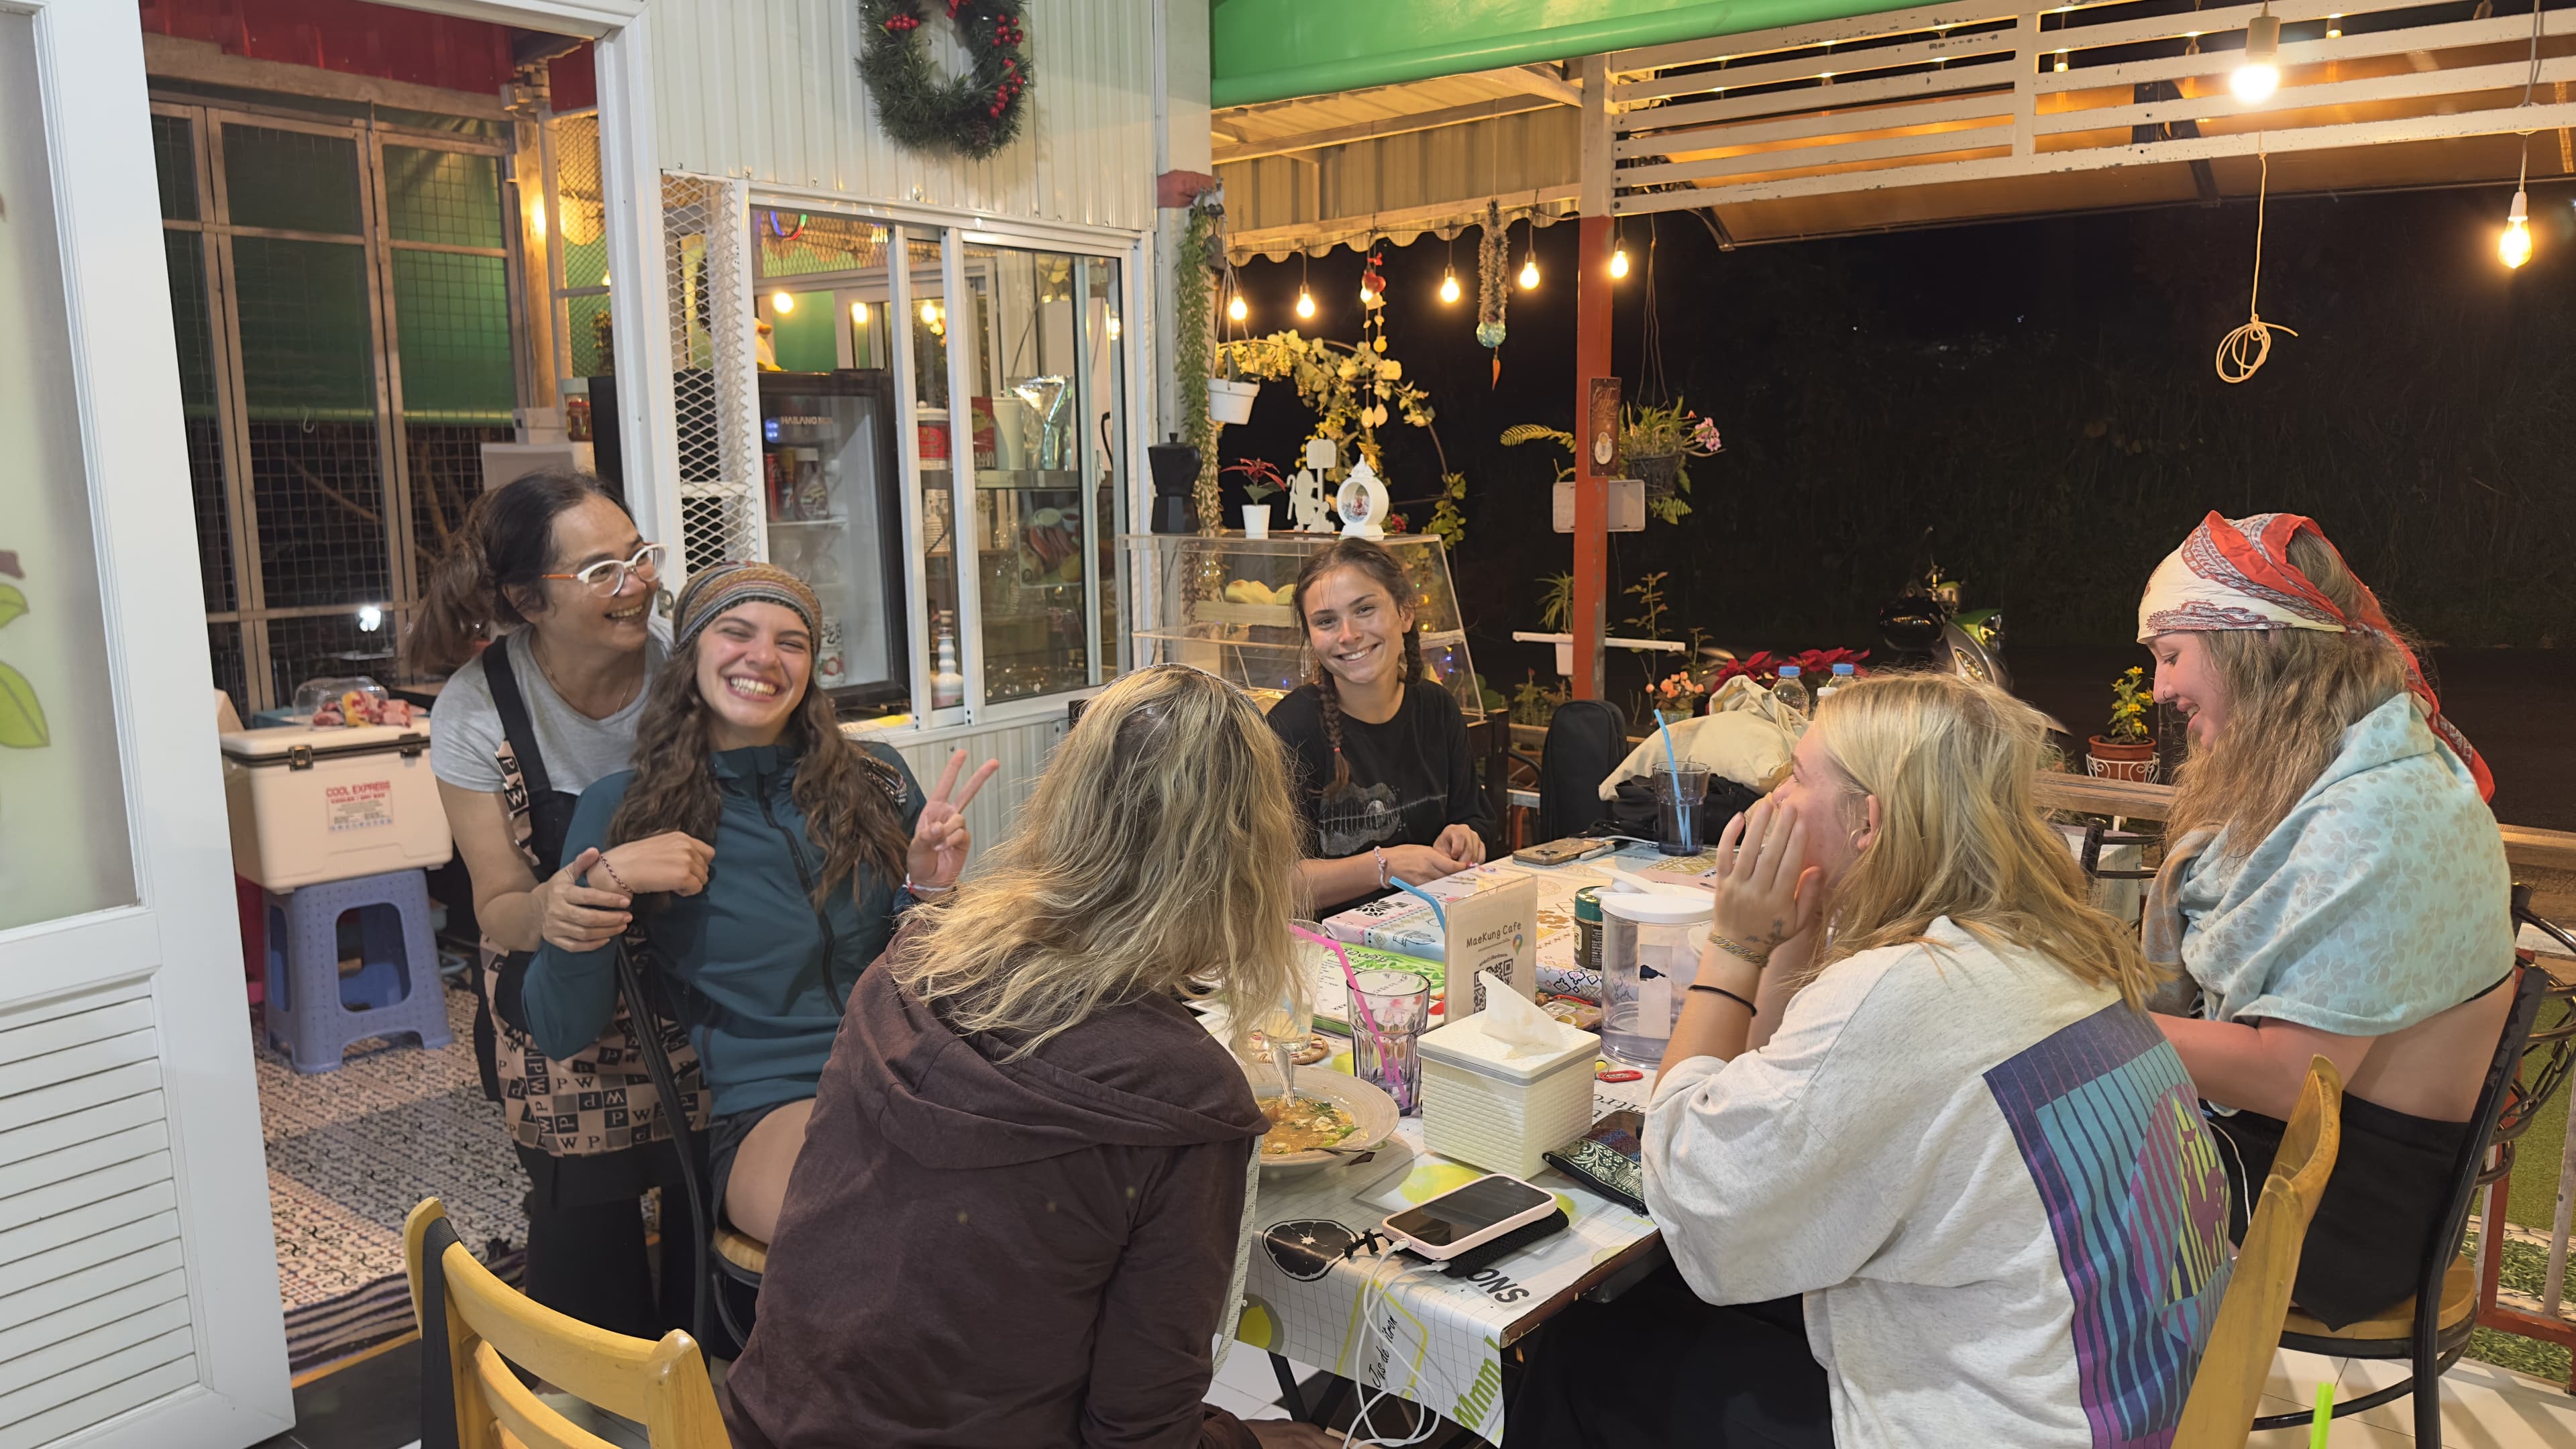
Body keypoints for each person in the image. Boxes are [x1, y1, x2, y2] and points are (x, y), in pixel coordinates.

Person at [1512, 673, 2231, 1448]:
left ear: (1869, 821)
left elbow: (1691, 1196)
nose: (1770, 797)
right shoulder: (2051, 947)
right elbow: (1772, 1120)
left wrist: (1735, 945)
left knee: (1582, 1351)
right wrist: (1796, 931)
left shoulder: (1906, 993)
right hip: (2136, 1400)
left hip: (2015, 1426)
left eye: (1796, 775)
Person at [721, 664, 1340, 1449]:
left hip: (772, 1423)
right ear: (1247, 856)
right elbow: (1139, 1435)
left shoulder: (914, 960)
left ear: (1067, 799)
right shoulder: (1190, 1099)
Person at [525, 562, 996, 1246]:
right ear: (690, 657)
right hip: (775, 1107)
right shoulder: (623, 809)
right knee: (891, 1228)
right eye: (736, 632)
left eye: (791, 642)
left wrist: (930, 891)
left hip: (923, 1069)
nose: (765, 658)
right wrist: (601, 890)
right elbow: (561, 1030)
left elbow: (944, 978)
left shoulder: (880, 781)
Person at [2138, 511, 2512, 1329]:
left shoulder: (2375, 812)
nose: (2161, 689)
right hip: (2318, 1167)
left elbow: (2287, 1076)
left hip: (2336, 1213)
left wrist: (2076, 1023)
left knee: (1996, 1174)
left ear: (2257, 647)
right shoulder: (2371, 768)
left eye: (2171, 655)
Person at [414, 468, 704, 1341]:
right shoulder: (477, 710)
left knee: (713, 1247)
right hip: (559, 1026)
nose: (638, 584)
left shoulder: (692, 675)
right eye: (600, 571)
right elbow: (496, 902)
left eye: (640, 557)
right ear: (525, 600)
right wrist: (553, 912)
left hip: (699, 997)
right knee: (589, 1283)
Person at [1267, 537, 1493, 915]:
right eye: (1326, 621)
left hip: (1431, 933)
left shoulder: (1438, 710)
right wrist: (1385, 867)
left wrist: (1466, 839)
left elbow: (1476, 820)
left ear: (1405, 614)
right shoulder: (1291, 728)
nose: (1348, 634)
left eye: (1365, 610)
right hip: (1328, 953)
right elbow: (1271, 885)